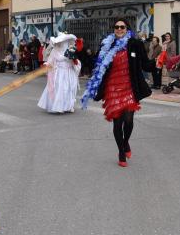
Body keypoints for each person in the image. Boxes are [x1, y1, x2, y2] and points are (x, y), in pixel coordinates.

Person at [81, 18, 152, 167]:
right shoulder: (107, 45)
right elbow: (98, 64)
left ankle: (125, 143)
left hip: (129, 86)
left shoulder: (135, 44)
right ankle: (121, 151)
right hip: (112, 87)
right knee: (117, 122)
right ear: (113, 29)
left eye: (122, 27)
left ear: (127, 29)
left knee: (129, 120)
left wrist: (157, 63)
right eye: (116, 27)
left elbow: (145, 64)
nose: (119, 29)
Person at [38, 33, 81, 113]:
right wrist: (46, 65)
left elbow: (75, 61)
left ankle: (68, 106)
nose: (63, 43)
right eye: (62, 41)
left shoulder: (71, 49)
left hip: (68, 73)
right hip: (59, 73)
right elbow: (50, 61)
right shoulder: (55, 51)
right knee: (60, 89)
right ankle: (59, 107)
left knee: (68, 89)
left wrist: (75, 62)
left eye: (65, 41)